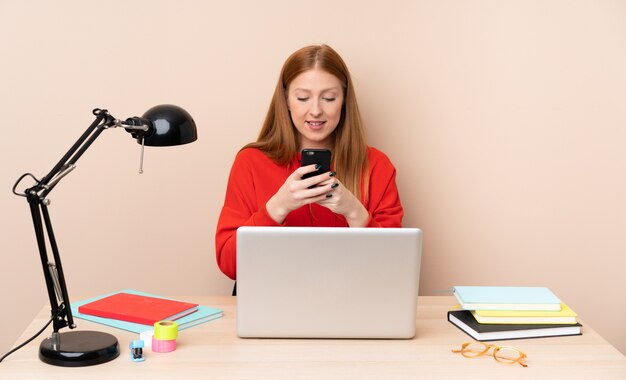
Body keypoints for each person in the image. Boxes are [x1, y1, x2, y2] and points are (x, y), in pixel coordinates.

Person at [215, 44, 403, 281]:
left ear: (344, 101)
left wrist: (354, 212)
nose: (315, 110)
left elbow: (392, 269)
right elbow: (229, 264)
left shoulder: (377, 165)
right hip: (272, 304)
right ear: (285, 100)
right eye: (303, 98)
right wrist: (278, 207)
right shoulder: (250, 162)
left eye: (329, 98)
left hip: (350, 303)